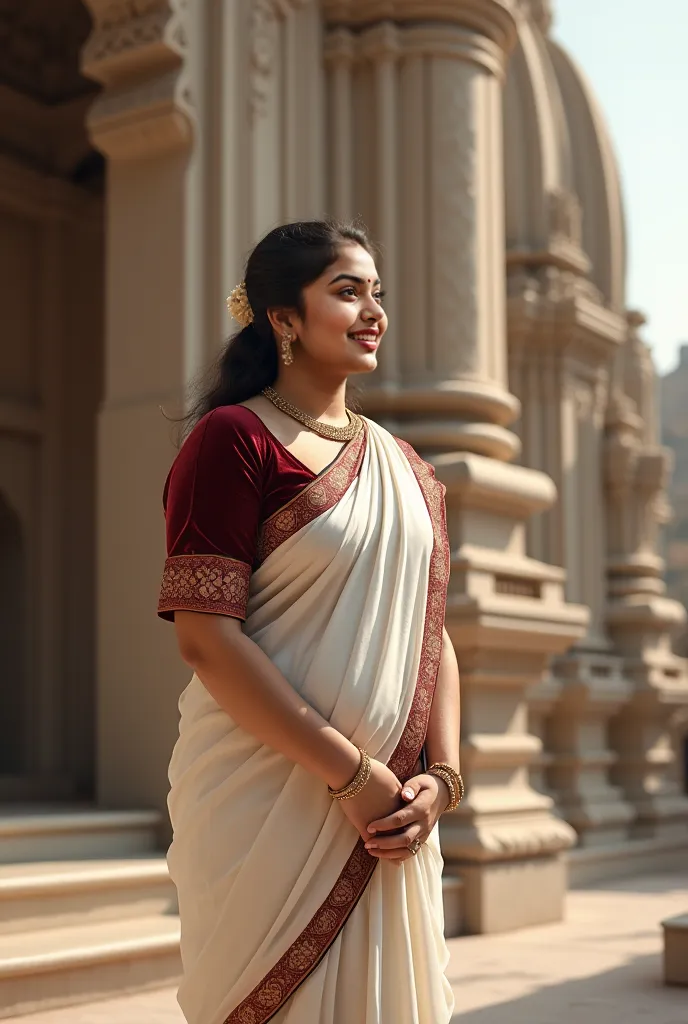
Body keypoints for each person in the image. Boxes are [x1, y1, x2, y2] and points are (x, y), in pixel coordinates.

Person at [157, 220, 463, 1024]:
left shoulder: (409, 470)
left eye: (377, 293)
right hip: (268, 799)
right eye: (347, 290)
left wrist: (444, 778)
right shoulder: (235, 441)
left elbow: (431, 631)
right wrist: (351, 777)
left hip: (395, 811)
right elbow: (205, 637)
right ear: (282, 319)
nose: (373, 311)